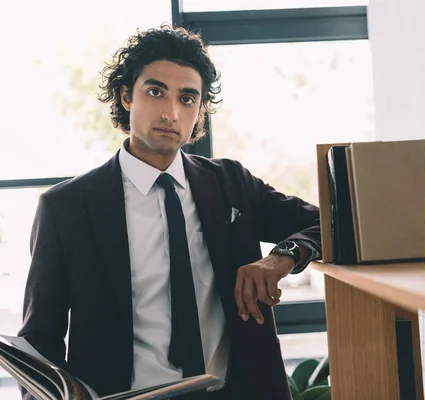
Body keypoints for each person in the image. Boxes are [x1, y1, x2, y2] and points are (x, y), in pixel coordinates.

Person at [18, 25, 321, 400]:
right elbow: (38, 340)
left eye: (187, 98)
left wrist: (283, 257)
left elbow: (328, 222)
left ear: (199, 111)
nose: (171, 112)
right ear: (127, 96)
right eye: (156, 91)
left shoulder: (231, 183)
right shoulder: (67, 207)